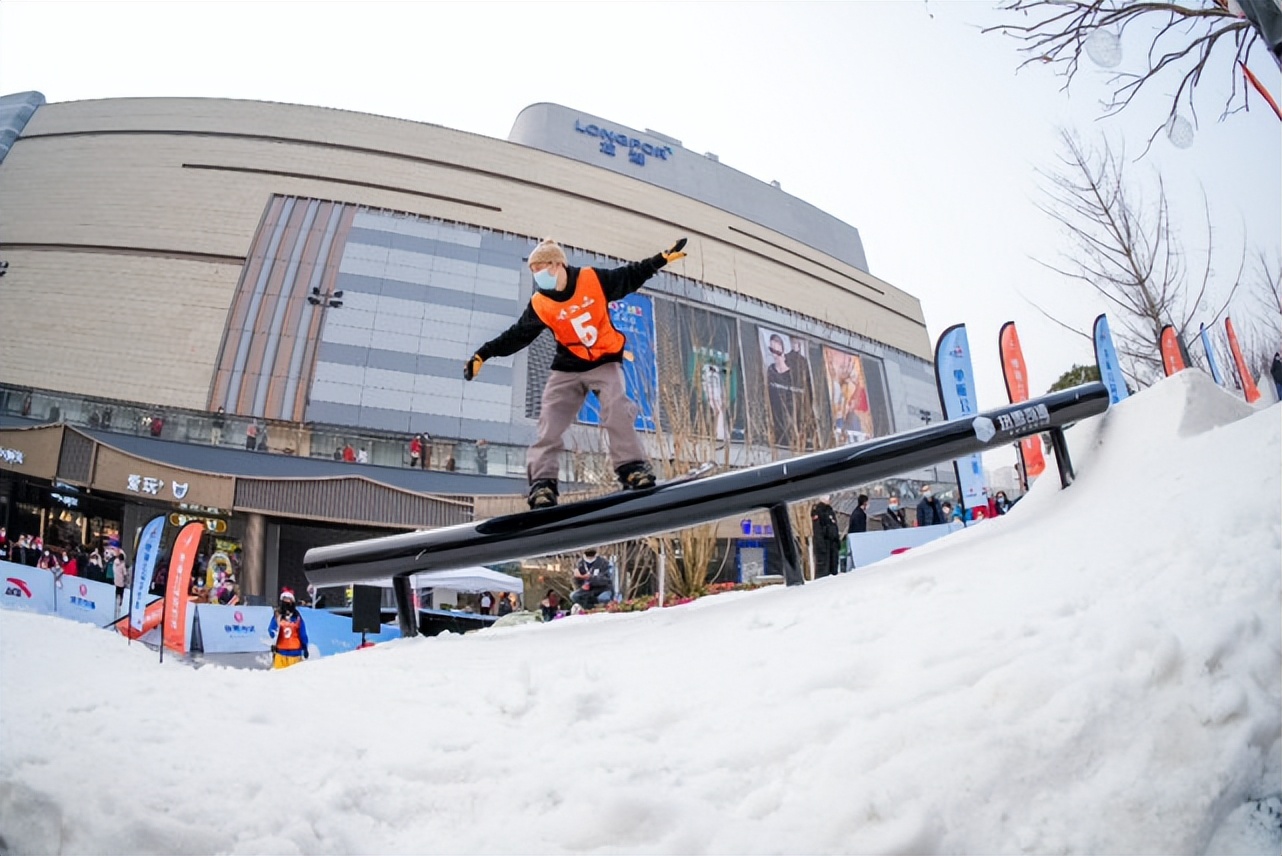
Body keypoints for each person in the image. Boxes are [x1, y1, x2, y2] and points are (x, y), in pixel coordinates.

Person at [463, 236, 688, 508]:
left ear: (558, 265)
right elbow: (518, 335)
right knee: (549, 421)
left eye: (541, 268)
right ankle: (542, 484)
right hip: (568, 366)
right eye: (533, 271)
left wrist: (659, 260)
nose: (537, 275)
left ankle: (631, 468)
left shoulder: (591, 280)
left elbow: (629, 276)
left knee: (616, 407)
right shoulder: (541, 303)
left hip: (604, 360)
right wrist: (484, 353)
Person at [268, 589, 309, 669]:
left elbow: (302, 633)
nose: (286, 602)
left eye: (288, 599)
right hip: (280, 653)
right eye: (284, 599)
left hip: (295, 654)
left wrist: (305, 647)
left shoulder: (297, 617)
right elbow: (271, 631)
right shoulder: (278, 616)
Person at [810, 494, 840, 578]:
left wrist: (837, 541)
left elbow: (834, 525)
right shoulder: (818, 511)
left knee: (833, 567)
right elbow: (817, 529)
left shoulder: (830, 510)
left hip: (832, 543)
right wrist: (820, 544)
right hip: (824, 543)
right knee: (823, 569)